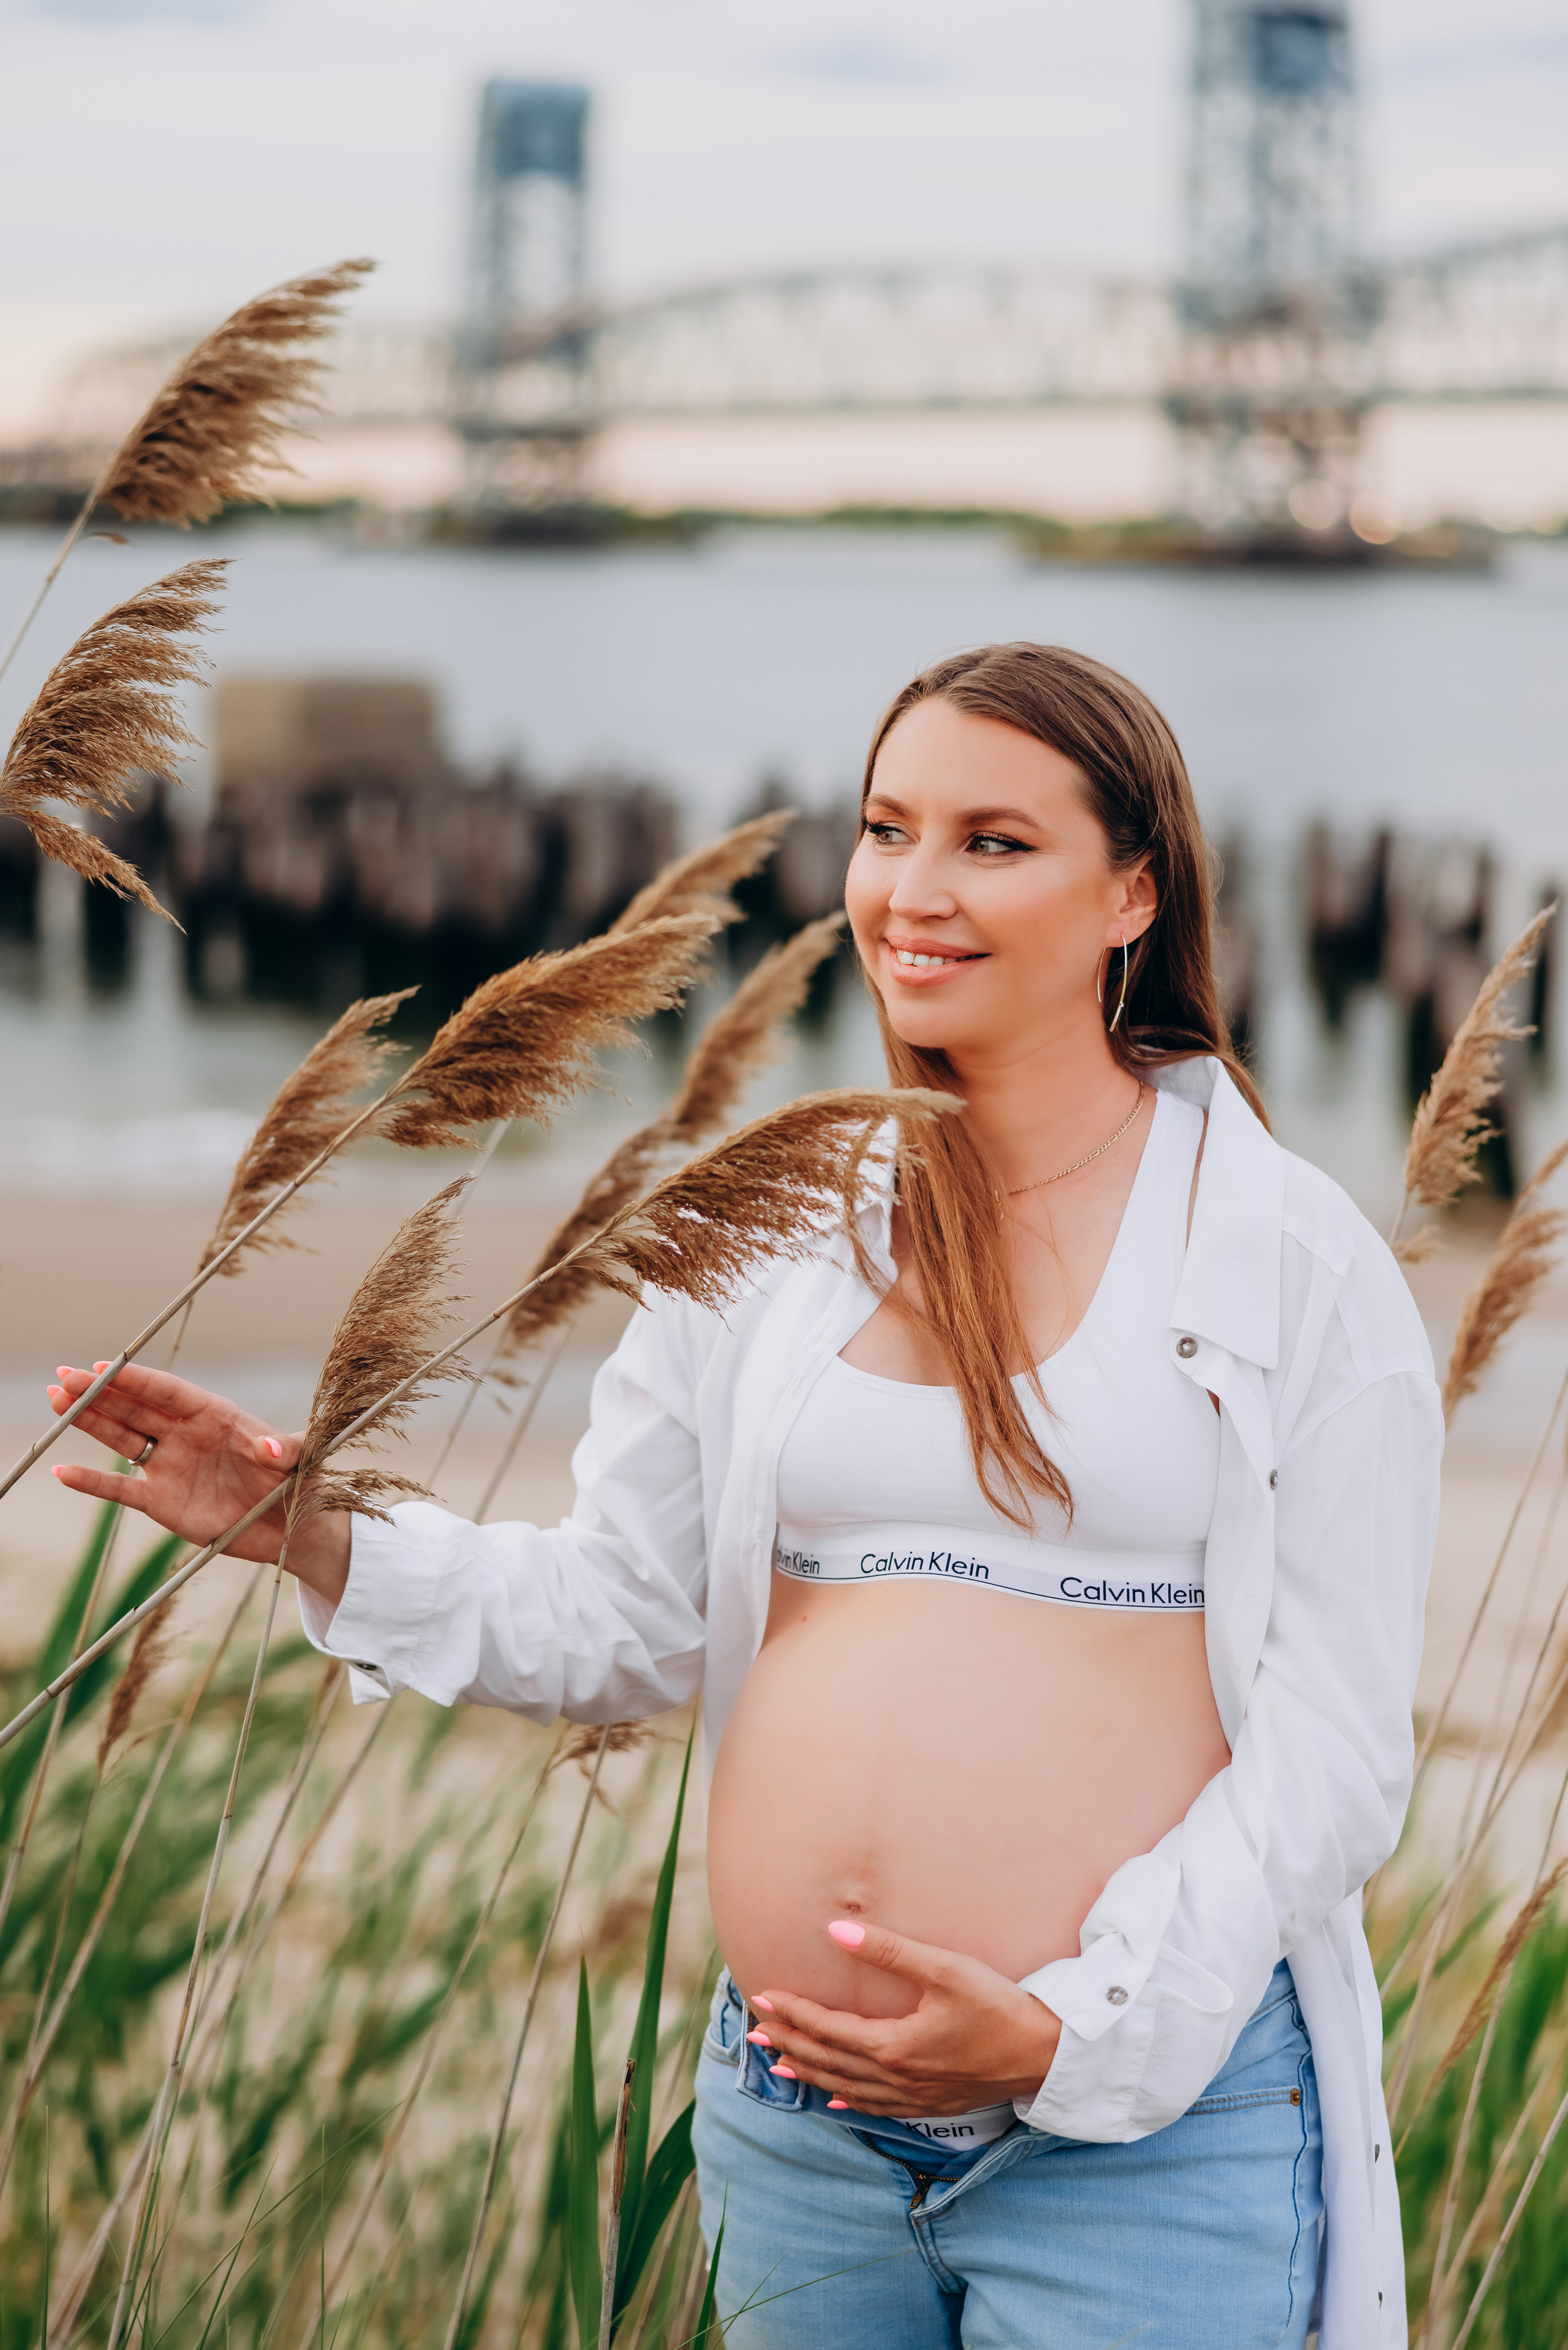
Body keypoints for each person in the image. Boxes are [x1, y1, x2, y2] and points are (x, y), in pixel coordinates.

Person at [49, 642, 1442, 2350]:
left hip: (1139, 2148)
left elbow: (1337, 1748)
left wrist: (1076, 2030)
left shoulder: (1293, 1261)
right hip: (798, 2144)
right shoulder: (778, 1227)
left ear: (1132, 891)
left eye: (994, 843)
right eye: (885, 828)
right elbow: (630, 1611)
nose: (912, 891)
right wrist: (311, 1531)